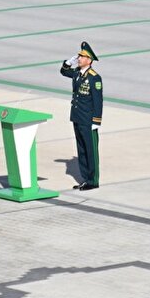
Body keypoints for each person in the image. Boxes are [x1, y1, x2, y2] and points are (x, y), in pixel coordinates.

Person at [60, 41, 103, 191]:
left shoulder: (94, 78)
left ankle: (93, 180)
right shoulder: (77, 73)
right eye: (79, 56)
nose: (79, 58)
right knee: (81, 149)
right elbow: (64, 71)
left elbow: (98, 101)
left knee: (91, 150)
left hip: (88, 119)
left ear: (89, 60)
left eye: (82, 56)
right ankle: (86, 179)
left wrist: (97, 120)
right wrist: (67, 63)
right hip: (77, 117)